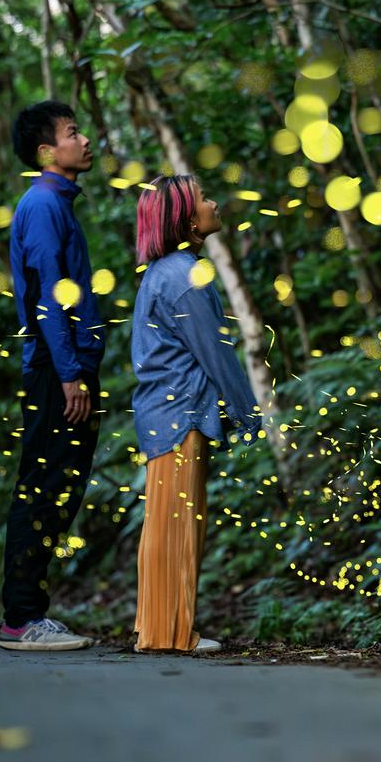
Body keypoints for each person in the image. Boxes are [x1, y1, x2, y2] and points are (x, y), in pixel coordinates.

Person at [131, 173, 262, 654]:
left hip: (167, 414)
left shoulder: (165, 272)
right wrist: (250, 415)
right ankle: (170, 635)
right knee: (179, 526)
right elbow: (216, 354)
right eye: (204, 198)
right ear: (188, 220)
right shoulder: (185, 276)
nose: (214, 203)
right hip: (180, 416)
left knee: (169, 522)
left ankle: (159, 629)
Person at [0, 101, 106, 651]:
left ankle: (29, 613)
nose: (84, 140)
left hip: (67, 367)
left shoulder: (58, 203)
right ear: (47, 151)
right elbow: (45, 298)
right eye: (71, 132)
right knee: (42, 490)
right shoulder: (42, 205)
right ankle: (20, 620)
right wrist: (70, 375)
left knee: (60, 490)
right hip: (53, 370)